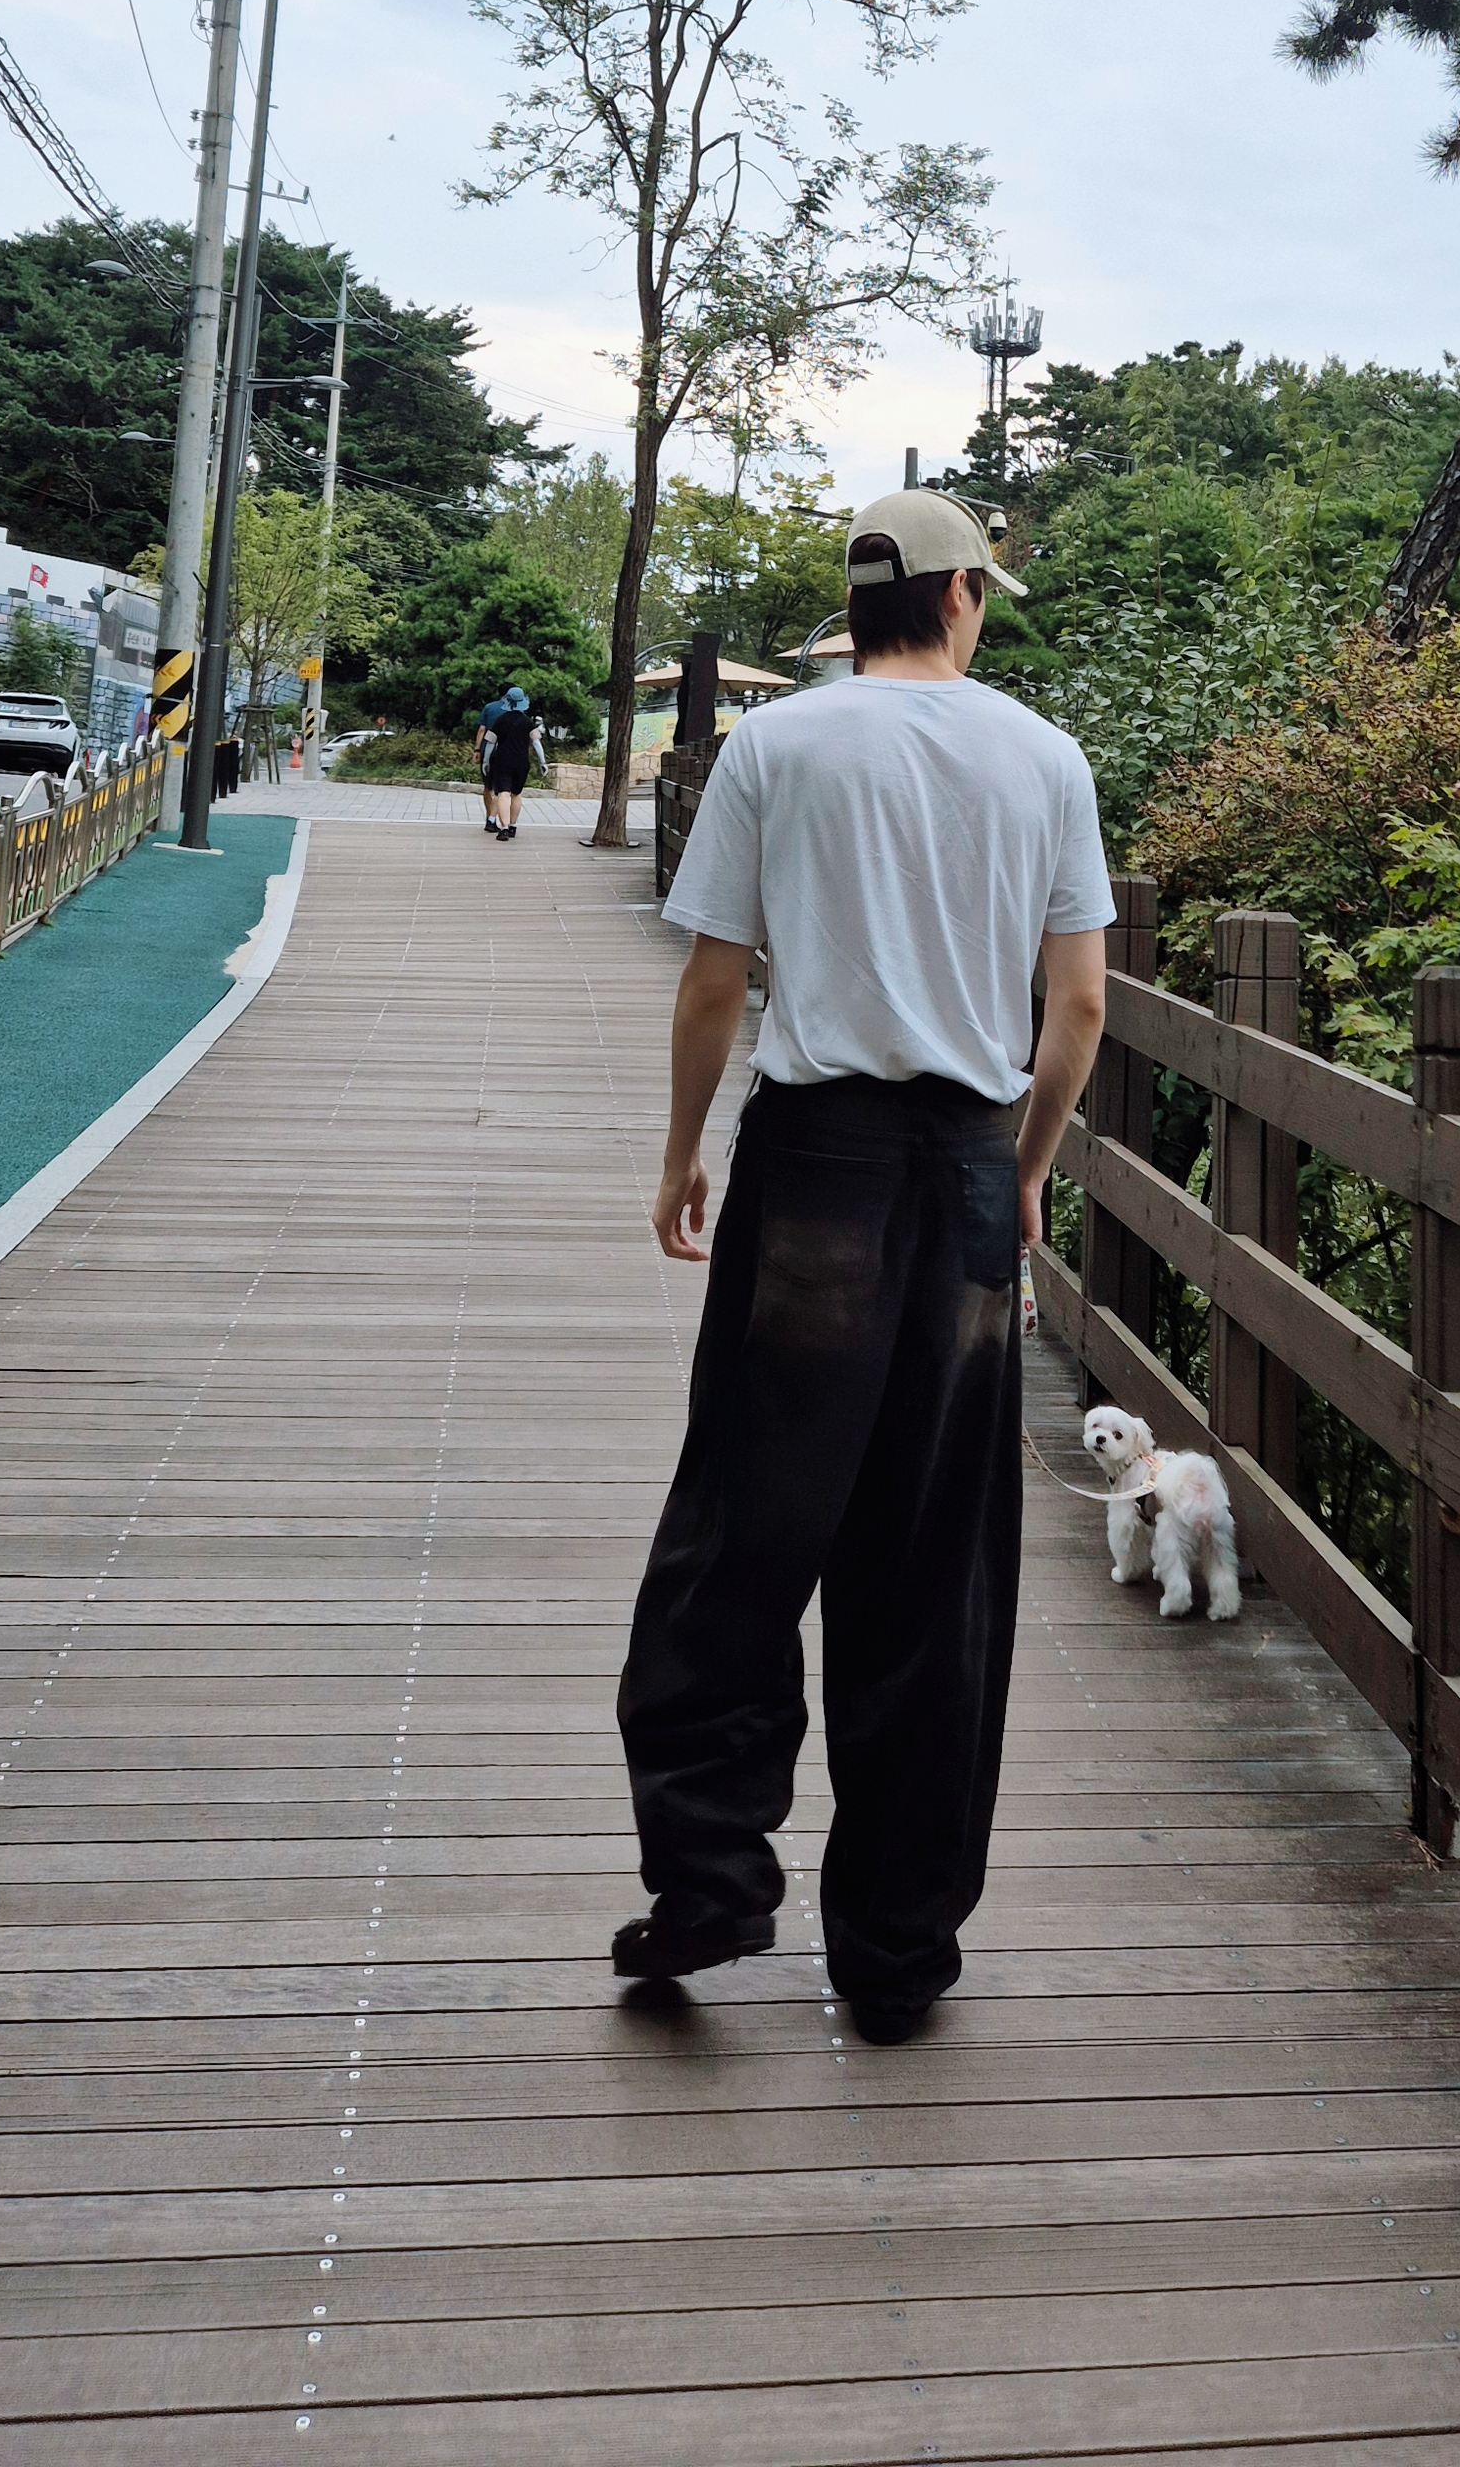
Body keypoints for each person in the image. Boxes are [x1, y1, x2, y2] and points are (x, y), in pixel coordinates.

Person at [614, 485, 1112, 2044]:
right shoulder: (1043, 757)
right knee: (933, 1568)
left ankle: (710, 1883)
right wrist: (1021, 1180)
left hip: (813, 1167)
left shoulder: (779, 746)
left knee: (740, 1532)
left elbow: (714, 981)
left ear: (861, 607)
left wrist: (684, 1148)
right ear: (965, 597)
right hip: (963, 1175)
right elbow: (1078, 1011)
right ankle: (895, 1954)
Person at [477, 679, 536, 838]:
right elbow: (536, 742)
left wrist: (485, 760)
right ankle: (513, 825)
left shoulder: (500, 719)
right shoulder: (528, 721)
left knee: (503, 793)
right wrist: (543, 762)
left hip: (502, 761)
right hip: (522, 761)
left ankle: (502, 827)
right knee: (516, 794)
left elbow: (490, 741)